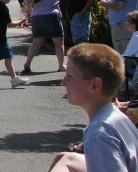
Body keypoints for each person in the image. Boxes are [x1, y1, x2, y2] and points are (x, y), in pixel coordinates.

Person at [47, 43, 138, 172]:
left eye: (70, 76)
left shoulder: (99, 134)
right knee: (65, 158)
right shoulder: (115, 114)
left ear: (95, 84)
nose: (63, 82)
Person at [21, 0, 68, 74]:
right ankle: (61, 65)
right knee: (58, 42)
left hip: (37, 16)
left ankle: (27, 63)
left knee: (36, 42)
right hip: (52, 15)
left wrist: (30, 9)